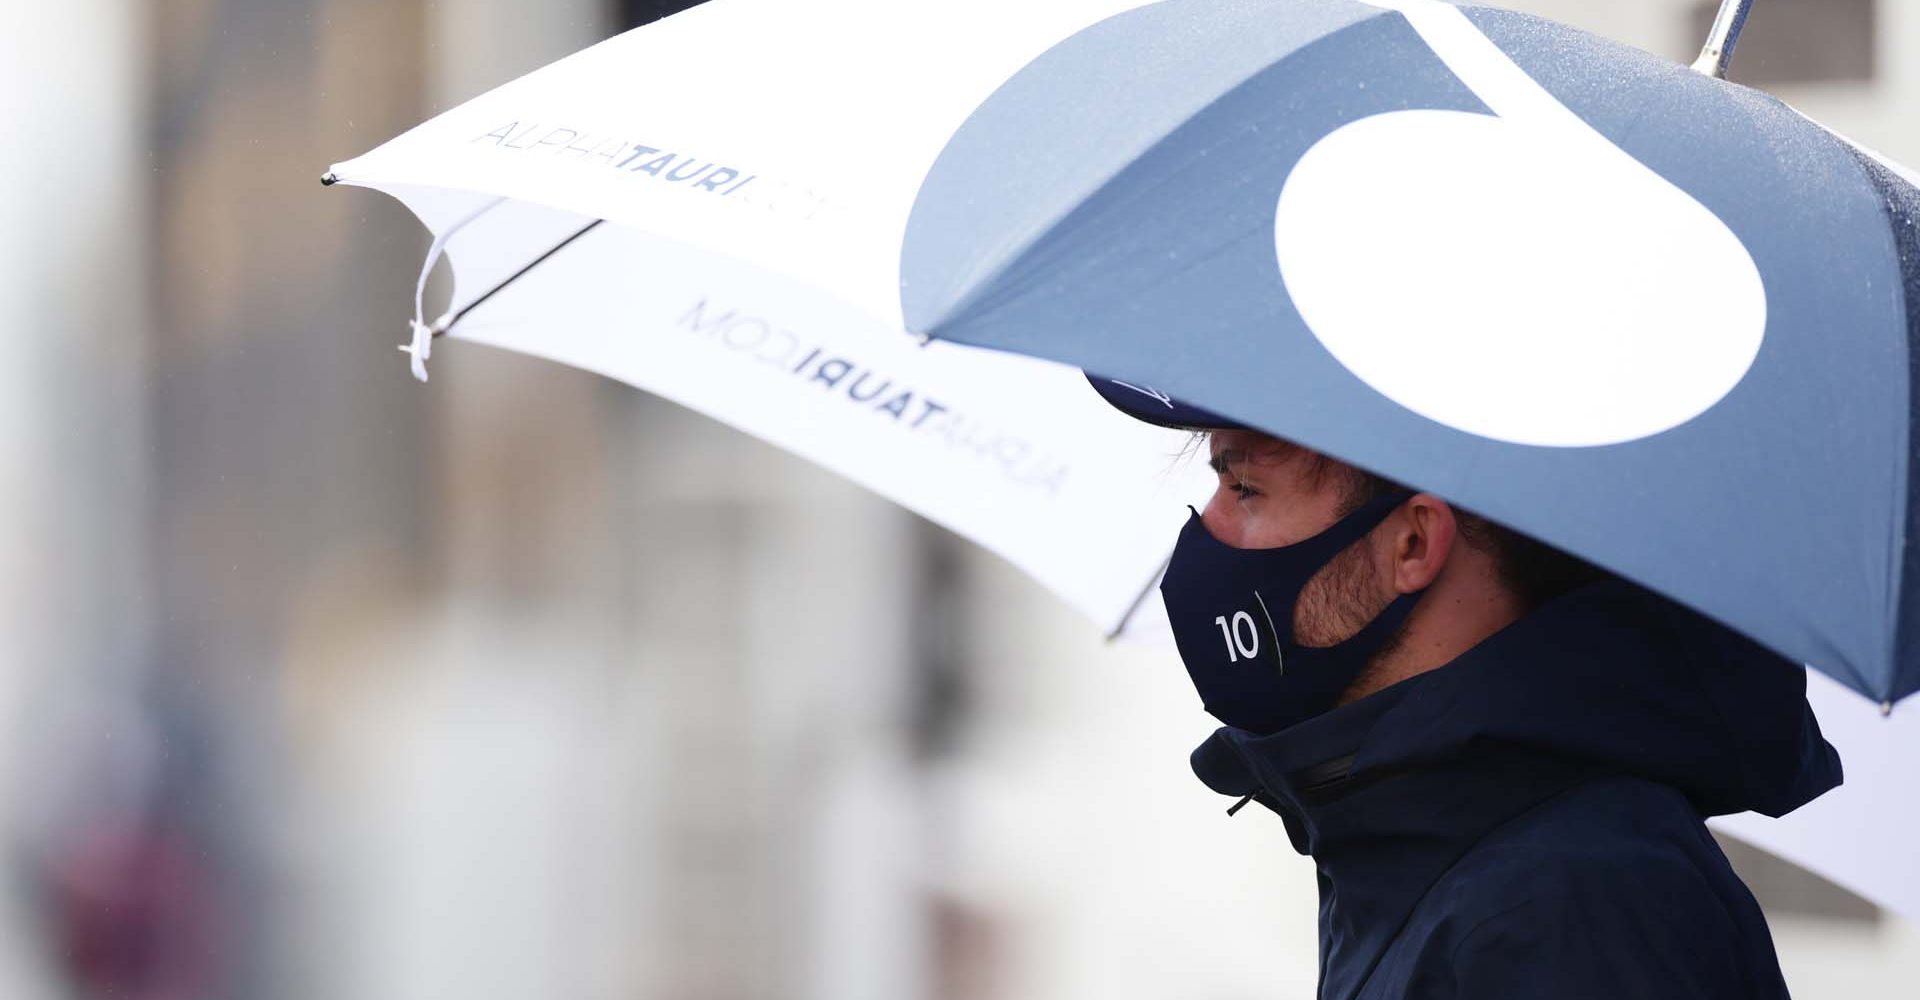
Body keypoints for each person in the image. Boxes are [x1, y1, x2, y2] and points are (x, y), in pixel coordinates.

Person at [1090, 379, 1842, 1000]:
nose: (1208, 526)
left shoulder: (1577, 901)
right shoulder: (1401, 832)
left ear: (1412, 542)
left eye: (1246, 485)